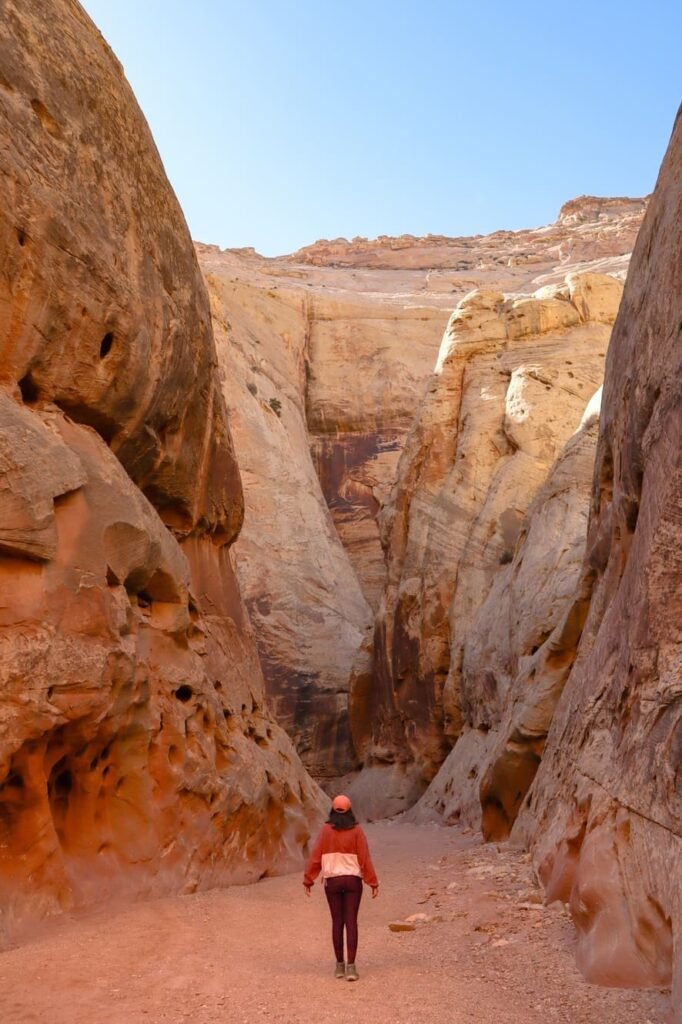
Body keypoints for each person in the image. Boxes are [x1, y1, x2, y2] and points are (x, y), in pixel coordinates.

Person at [303, 794, 379, 981]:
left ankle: (339, 967)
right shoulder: (357, 831)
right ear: (350, 810)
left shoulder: (326, 831)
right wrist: (372, 882)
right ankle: (351, 968)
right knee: (351, 921)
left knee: (337, 922)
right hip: (353, 881)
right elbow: (364, 858)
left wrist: (308, 879)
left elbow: (315, 857)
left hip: (333, 882)